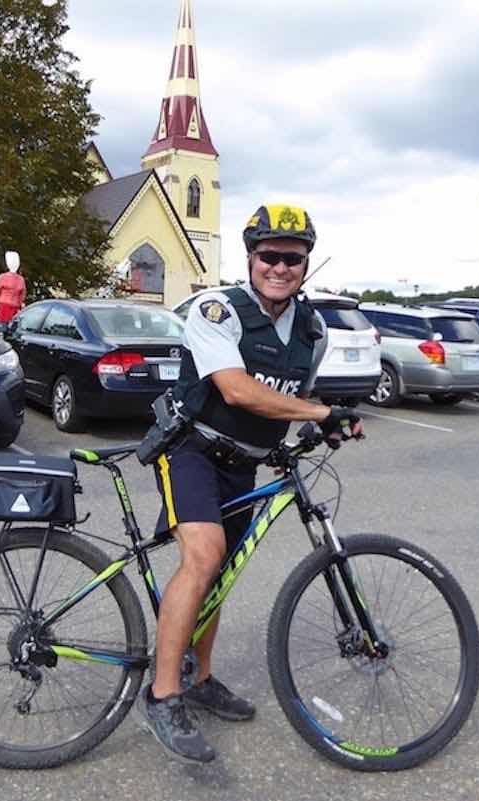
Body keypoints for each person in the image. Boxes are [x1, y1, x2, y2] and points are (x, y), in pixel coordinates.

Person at [139, 203, 363, 764]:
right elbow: (237, 390)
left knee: (223, 575)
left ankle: (201, 677)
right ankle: (163, 695)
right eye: (270, 256)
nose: (280, 267)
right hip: (190, 451)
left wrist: (315, 430)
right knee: (204, 556)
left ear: (306, 264)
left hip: (246, 464)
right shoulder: (220, 311)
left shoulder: (312, 331)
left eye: (293, 258)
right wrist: (320, 412)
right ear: (251, 257)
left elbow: (282, 401)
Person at [0, 252, 26, 328]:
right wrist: (19, 305)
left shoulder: (3, 277)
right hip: (15, 308)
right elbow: (22, 296)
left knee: (0, 328)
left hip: (3, 307)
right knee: (11, 329)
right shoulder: (21, 279)